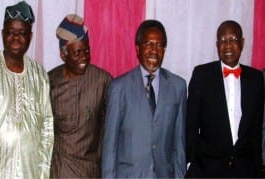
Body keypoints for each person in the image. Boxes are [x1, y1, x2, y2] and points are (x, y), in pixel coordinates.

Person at [0, 1, 54, 179]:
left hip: (29, 173)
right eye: (11, 32)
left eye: (22, 33)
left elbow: (47, 126)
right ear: (2, 33)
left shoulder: (39, 75)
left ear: (30, 37)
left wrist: (43, 173)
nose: (16, 38)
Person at [102, 19, 187, 178]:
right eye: (148, 44)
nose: (154, 50)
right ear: (138, 48)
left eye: (159, 45)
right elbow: (110, 148)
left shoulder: (178, 87)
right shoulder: (119, 88)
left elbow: (179, 146)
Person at [186, 20, 264, 178]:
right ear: (217, 45)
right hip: (208, 169)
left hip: (245, 170)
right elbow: (191, 125)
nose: (227, 45)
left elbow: (256, 131)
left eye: (233, 39)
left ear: (242, 43)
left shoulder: (256, 79)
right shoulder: (202, 75)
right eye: (223, 40)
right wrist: (190, 163)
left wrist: (257, 171)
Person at [49, 14, 112, 178]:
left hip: (91, 172)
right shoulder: (49, 82)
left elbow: (110, 131)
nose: (84, 57)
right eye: (77, 53)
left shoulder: (102, 81)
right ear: (63, 55)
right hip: (59, 171)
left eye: (87, 51)